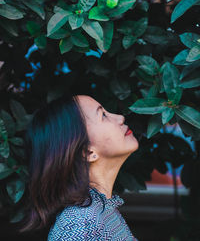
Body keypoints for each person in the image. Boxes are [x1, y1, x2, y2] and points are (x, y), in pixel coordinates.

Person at [19, 93, 139, 240]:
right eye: (103, 115)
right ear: (87, 151)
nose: (120, 118)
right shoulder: (79, 224)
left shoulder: (102, 208)